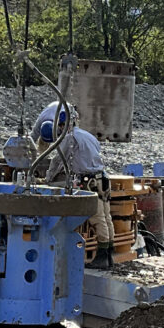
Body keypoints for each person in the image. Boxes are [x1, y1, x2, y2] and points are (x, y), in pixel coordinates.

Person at [33, 102, 115, 266]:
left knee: (97, 218)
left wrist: (48, 180)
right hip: (103, 180)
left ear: (62, 125)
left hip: (89, 181)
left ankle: (102, 257)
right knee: (106, 217)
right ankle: (109, 255)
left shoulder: (69, 137)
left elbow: (58, 160)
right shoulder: (88, 135)